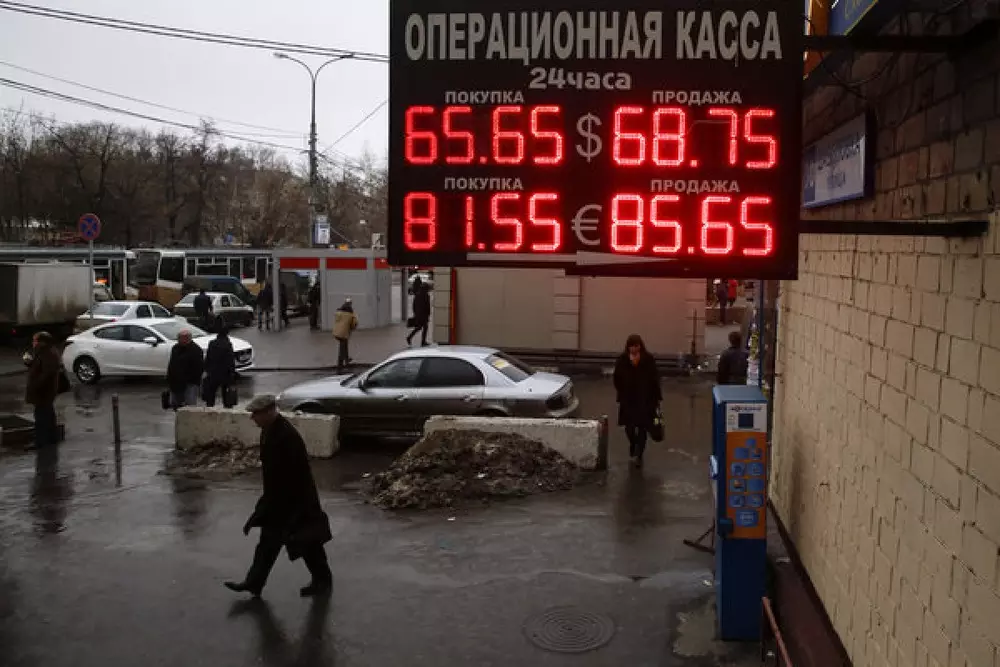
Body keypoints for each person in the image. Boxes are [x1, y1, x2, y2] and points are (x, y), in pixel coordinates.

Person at [225, 394, 333, 598]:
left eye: (256, 414)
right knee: (268, 543)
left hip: (296, 501)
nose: (252, 418)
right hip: (279, 500)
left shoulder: (286, 436)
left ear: (269, 412)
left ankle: (323, 580)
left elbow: (293, 476)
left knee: (308, 542)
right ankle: (254, 583)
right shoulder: (269, 430)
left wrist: (274, 505)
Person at [613, 334, 662, 468]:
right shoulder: (623, 360)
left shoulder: (648, 359)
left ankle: (639, 454)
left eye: (636, 346)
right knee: (629, 428)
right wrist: (621, 392)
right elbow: (617, 378)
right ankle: (633, 443)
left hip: (644, 400)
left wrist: (656, 399)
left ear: (640, 346)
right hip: (628, 400)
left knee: (642, 428)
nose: (634, 349)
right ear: (628, 347)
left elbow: (655, 379)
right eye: (632, 346)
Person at [25, 331, 62, 450]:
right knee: (48, 414)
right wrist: (29, 363)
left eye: (35, 340)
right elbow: (40, 367)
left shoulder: (48, 353)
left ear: (41, 342)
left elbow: (47, 373)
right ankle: (51, 438)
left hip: (43, 391)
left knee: (41, 417)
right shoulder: (44, 352)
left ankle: (41, 441)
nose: (33, 342)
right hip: (45, 391)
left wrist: (35, 385)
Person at [167, 328, 204, 409]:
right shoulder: (175, 348)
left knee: (189, 406)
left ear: (187, 338)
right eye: (178, 338)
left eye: (180, 338)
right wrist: (169, 378)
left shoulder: (196, 350)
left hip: (189, 384)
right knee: (175, 404)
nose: (178, 340)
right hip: (175, 383)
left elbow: (198, 368)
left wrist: (191, 380)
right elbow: (172, 364)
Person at [203, 327, 237, 407]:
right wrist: (232, 373)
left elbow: (208, 357)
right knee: (226, 393)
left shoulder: (212, 343)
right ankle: (227, 407)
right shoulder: (228, 344)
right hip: (225, 373)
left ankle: (210, 407)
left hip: (213, 372)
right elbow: (230, 360)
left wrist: (206, 369)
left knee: (211, 392)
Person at [332, 298, 358, 372]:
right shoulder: (351, 314)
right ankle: (339, 369)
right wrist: (352, 327)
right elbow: (354, 324)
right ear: (350, 304)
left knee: (345, 346)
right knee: (342, 350)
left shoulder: (339, 312)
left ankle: (347, 361)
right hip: (343, 334)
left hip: (336, 333)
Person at [406, 277, 431, 347]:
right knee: (424, 327)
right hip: (424, 315)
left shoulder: (417, 294)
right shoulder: (426, 295)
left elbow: (414, 305)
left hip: (418, 314)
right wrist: (428, 314)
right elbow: (427, 306)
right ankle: (422, 342)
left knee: (419, 327)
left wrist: (415, 313)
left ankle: (410, 337)